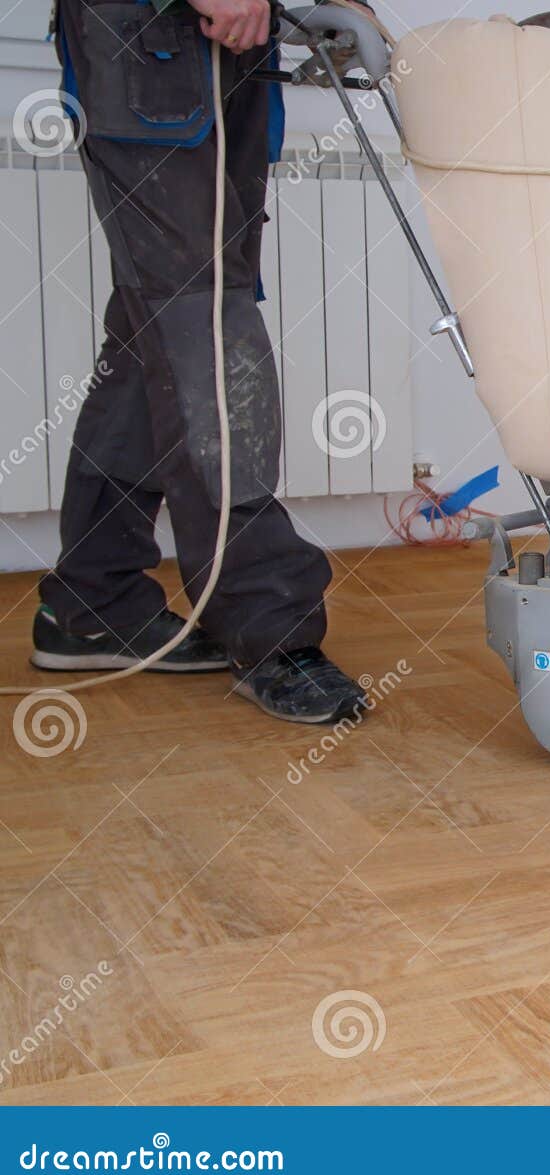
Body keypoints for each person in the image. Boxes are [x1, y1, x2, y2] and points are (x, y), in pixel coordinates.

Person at [34, 0, 366, 725]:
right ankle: (267, 627)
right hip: (140, 46)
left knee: (152, 330)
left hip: (230, 55)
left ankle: (94, 604)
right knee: (204, 327)